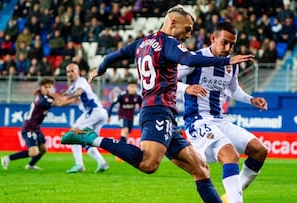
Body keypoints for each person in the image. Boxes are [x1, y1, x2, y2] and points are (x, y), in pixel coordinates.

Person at [61, 5, 253, 202]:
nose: (188, 35)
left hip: (165, 114)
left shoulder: (142, 43)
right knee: (148, 163)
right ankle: (92, 138)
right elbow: (188, 59)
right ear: (172, 23)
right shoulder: (169, 43)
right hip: (158, 110)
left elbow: (113, 56)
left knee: (201, 170)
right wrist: (224, 61)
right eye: (187, 29)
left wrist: (99, 69)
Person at [177, 22, 268, 202]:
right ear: (212, 39)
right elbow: (165, 81)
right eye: (224, 42)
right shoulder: (195, 58)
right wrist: (186, 88)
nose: (228, 48)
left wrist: (251, 99)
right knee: (230, 155)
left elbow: (233, 90)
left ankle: (231, 195)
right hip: (197, 121)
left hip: (220, 120)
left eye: (232, 44)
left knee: (259, 150)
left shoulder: (231, 64)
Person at [1, 78, 76, 170]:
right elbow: (59, 103)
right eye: (45, 87)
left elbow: (59, 98)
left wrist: (68, 95)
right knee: (34, 152)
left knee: (43, 149)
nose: (48, 89)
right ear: (41, 88)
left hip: (36, 128)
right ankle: (7, 158)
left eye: (50, 87)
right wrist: (73, 100)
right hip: (29, 128)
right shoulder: (43, 100)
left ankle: (30, 165)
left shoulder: (46, 97)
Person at [64, 63, 109, 173]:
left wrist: (66, 97)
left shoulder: (81, 81)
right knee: (88, 140)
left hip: (94, 111)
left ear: (78, 72)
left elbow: (78, 92)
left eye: (72, 71)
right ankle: (102, 163)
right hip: (100, 113)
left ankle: (79, 164)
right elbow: (65, 96)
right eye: (68, 72)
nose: (69, 74)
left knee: (73, 133)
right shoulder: (73, 86)